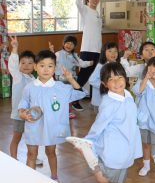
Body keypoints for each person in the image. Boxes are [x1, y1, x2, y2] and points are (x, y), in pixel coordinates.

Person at [66, 62, 142, 183]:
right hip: (115, 149)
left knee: (120, 176)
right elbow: (98, 126)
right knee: (108, 177)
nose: (117, 82)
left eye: (119, 77)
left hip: (127, 146)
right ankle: (93, 163)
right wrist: (88, 142)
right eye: (111, 79)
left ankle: (95, 163)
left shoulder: (128, 96)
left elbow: (134, 115)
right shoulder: (109, 104)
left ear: (125, 78)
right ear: (104, 84)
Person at [18, 50, 87, 181]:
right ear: (35, 67)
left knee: (51, 152)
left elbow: (80, 93)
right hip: (33, 126)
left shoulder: (61, 87)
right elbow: (23, 104)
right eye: (42, 65)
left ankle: (54, 177)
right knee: (31, 154)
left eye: (50, 66)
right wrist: (22, 113)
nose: (46, 69)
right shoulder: (29, 87)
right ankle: (29, 179)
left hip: (52, 128)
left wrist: (71, 79)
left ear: (55, 68)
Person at [8, 36, 43, 165]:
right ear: (18, 65)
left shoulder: (35, 81)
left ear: (34, 66)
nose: (26, 66)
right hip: (19, 115)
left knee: (32, 138)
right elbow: (12, 65)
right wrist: (15, 49)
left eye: (29, 63)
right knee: (16, 137)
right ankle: (13, 159)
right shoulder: (18, 77)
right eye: (23, 63)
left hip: (32, 116)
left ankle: (33, 156)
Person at [49, 35, 93, 118]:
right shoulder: (58, 54)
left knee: (69, 96)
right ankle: (59, 112)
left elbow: (81, 64)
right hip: (60, 80)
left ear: (74, 46)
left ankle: (68, 111)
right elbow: (51, 61)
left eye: (72, 44)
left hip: (70, 80)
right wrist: (51, 52)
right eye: (67, 43)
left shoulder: (74, 56)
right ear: (63, 43)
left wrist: (90, 63)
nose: (69, 45)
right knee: (60, 97)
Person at [75, 0, 102, 111]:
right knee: (83, 75)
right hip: (87, 49)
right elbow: (77, 2)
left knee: (89, 75)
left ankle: (77, 98)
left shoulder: (97, 13)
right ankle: (73, 99)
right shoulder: (85, 9)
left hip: (96, 50)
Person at [89, 42, 119, 109]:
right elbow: (92, 80)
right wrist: (106, 86)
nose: (113, 54)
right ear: (104, 52)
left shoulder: (116, 65)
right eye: (110, 51)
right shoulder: (101, 66)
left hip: (111, 98)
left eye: (115, 51)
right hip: (100, 100)